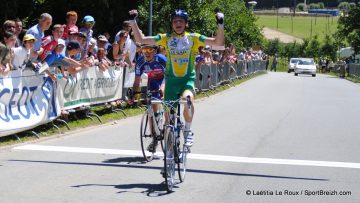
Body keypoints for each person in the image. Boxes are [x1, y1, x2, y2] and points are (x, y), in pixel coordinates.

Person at [129, 9, 224, 147]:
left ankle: (187, 131)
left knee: (188, 100)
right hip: (171, 82)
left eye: (181, 21)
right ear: (172, 24)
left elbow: (218, 43)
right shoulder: (166, 38)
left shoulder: (194, 38)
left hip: (187, 80)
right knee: (168, 122)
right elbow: (141, 40)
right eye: (175, 21)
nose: (178, 23)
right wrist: (133, 21)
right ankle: (169, 157)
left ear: (186, 23)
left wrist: (220, 24)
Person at [131, 44, 166, 152]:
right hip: (152, 82)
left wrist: (163, 88)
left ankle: (167, 127)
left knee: (164, 105)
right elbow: (137, 81)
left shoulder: (161, 59)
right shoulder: (140, 61)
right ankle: (154, 137)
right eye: (144, 50)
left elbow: (169, 76)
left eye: (149, 50)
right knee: (151, 111)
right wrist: (133, 95)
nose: (146, 52)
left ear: (154, 51)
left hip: (163, 80)